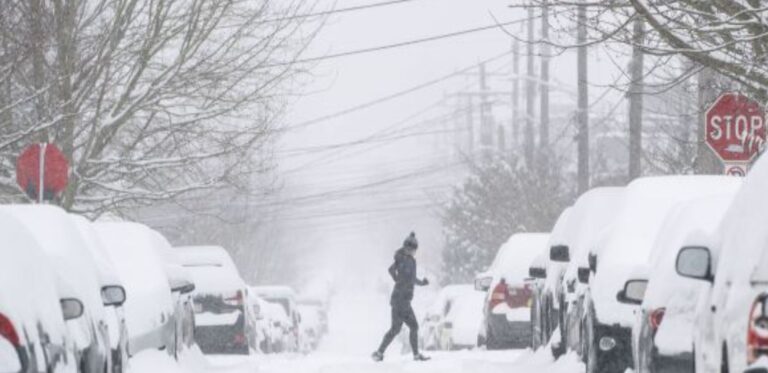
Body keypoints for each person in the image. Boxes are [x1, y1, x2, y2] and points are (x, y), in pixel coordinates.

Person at [372, 232, 430, 362]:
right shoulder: (406, 260)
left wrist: (398, 279)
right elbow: (407, 277)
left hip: (398, 299)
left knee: (395, 329)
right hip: (402, 300)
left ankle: (379, 352)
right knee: (413, 327)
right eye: (411, 249)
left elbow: (393, 271)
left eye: (413, 249)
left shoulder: (402, 258)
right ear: (407, 248)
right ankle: (415, 355)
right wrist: (402, 280)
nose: (412, 251)